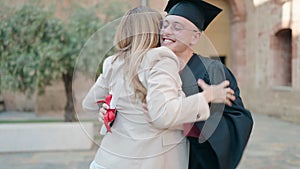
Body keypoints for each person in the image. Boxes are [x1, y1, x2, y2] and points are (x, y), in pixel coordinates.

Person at [83, 6, 235, 169]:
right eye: (164, 25)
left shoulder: (113, 62)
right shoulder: (161, 59)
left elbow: (89, 104)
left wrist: (105, 110)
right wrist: (207, 96)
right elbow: (163, 115)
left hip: (106, 161)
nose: (166, 31)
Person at [160, 0, 254, 169]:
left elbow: (238, 119)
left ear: (195, 37)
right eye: (164, 25)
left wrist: (189, 124)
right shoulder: (158, 68)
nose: (167, 31)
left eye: (177, 27)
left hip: (196, 160)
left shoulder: (212, 71)